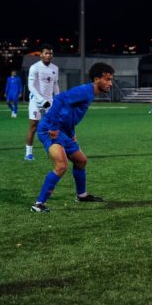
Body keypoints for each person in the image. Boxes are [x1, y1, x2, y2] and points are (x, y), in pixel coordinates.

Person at [30, 62, 115, 213]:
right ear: (97, 79)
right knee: (61, 166)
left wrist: (71, 132)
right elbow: (59, 100)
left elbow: (69, 112)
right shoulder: (85, 91)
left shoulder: (90, 93)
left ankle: (81, 195)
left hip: (64, 131)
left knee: (81, 161)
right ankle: (38, 204)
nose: (110, 83)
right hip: (50, 129)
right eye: (107, 79)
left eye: (111, 79)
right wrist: (54, 127)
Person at [25, 47, 59, 161]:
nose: (48, 55)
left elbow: (55, 84)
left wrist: (58, 98)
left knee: (52, 127)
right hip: (36, 101)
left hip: (49, 101)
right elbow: (31, 86)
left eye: (50, 53)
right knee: (33, 127)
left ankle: (52, 152)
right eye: (46, 53)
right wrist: (41, 100)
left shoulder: (55, 68)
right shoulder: (34, 67)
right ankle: (28, 154)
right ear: (41, 55)